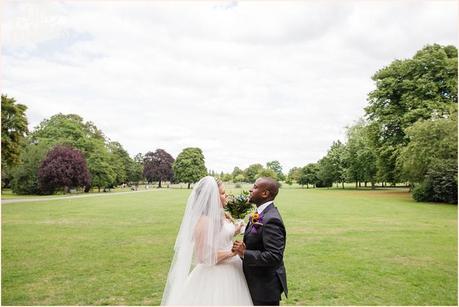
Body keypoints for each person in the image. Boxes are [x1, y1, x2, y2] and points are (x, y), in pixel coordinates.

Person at [161, 176, 253, 305]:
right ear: (212, 197)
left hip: (234, 270)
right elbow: (203, 257)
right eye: (222, 193)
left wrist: (237, 229)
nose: (226, 195)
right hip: (216, 276)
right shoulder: (204, 222)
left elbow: (221, 235)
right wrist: (233, 252)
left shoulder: (219, 215)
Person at [233, 177, 288, 306]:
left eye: (255, 187)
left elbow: (275, 256)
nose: (251, 190)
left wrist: (245, 253)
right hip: (255, 283)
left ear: (265, 193)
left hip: (264, 289)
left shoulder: (271, 219)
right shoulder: (260, 213)